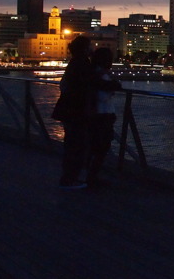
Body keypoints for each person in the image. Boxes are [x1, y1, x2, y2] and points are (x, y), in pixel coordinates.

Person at [51, 36, 94, 189]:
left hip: (69, 110)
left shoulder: (74, 62)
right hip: (76, 111)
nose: (92, 48)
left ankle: (68, 178)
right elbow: (85, 86)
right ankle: (70, 179)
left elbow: (65, 85)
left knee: (71, 144)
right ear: (85, 48)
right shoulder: (82, 63)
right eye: (90, 45)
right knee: (77, 146)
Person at [86, 46, 121, 188]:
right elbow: (102, 96)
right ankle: (92, 178)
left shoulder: (91, 73)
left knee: (94, 146)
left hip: (94, 115)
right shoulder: (103, 75)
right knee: (102, 147)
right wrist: (112, 88)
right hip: (103, 115)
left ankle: (89, 176)